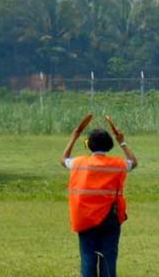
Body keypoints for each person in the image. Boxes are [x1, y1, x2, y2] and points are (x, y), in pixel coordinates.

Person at [61, 114, 138, 277]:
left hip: (85, 218)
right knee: (108, 258)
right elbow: (134, 162)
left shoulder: (79, 163)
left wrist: (74, 136)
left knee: (88, 257)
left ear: (88, 145)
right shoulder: (117, 164)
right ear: (110, 145)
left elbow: (64, 159)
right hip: (110, 217)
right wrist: (122, 141)